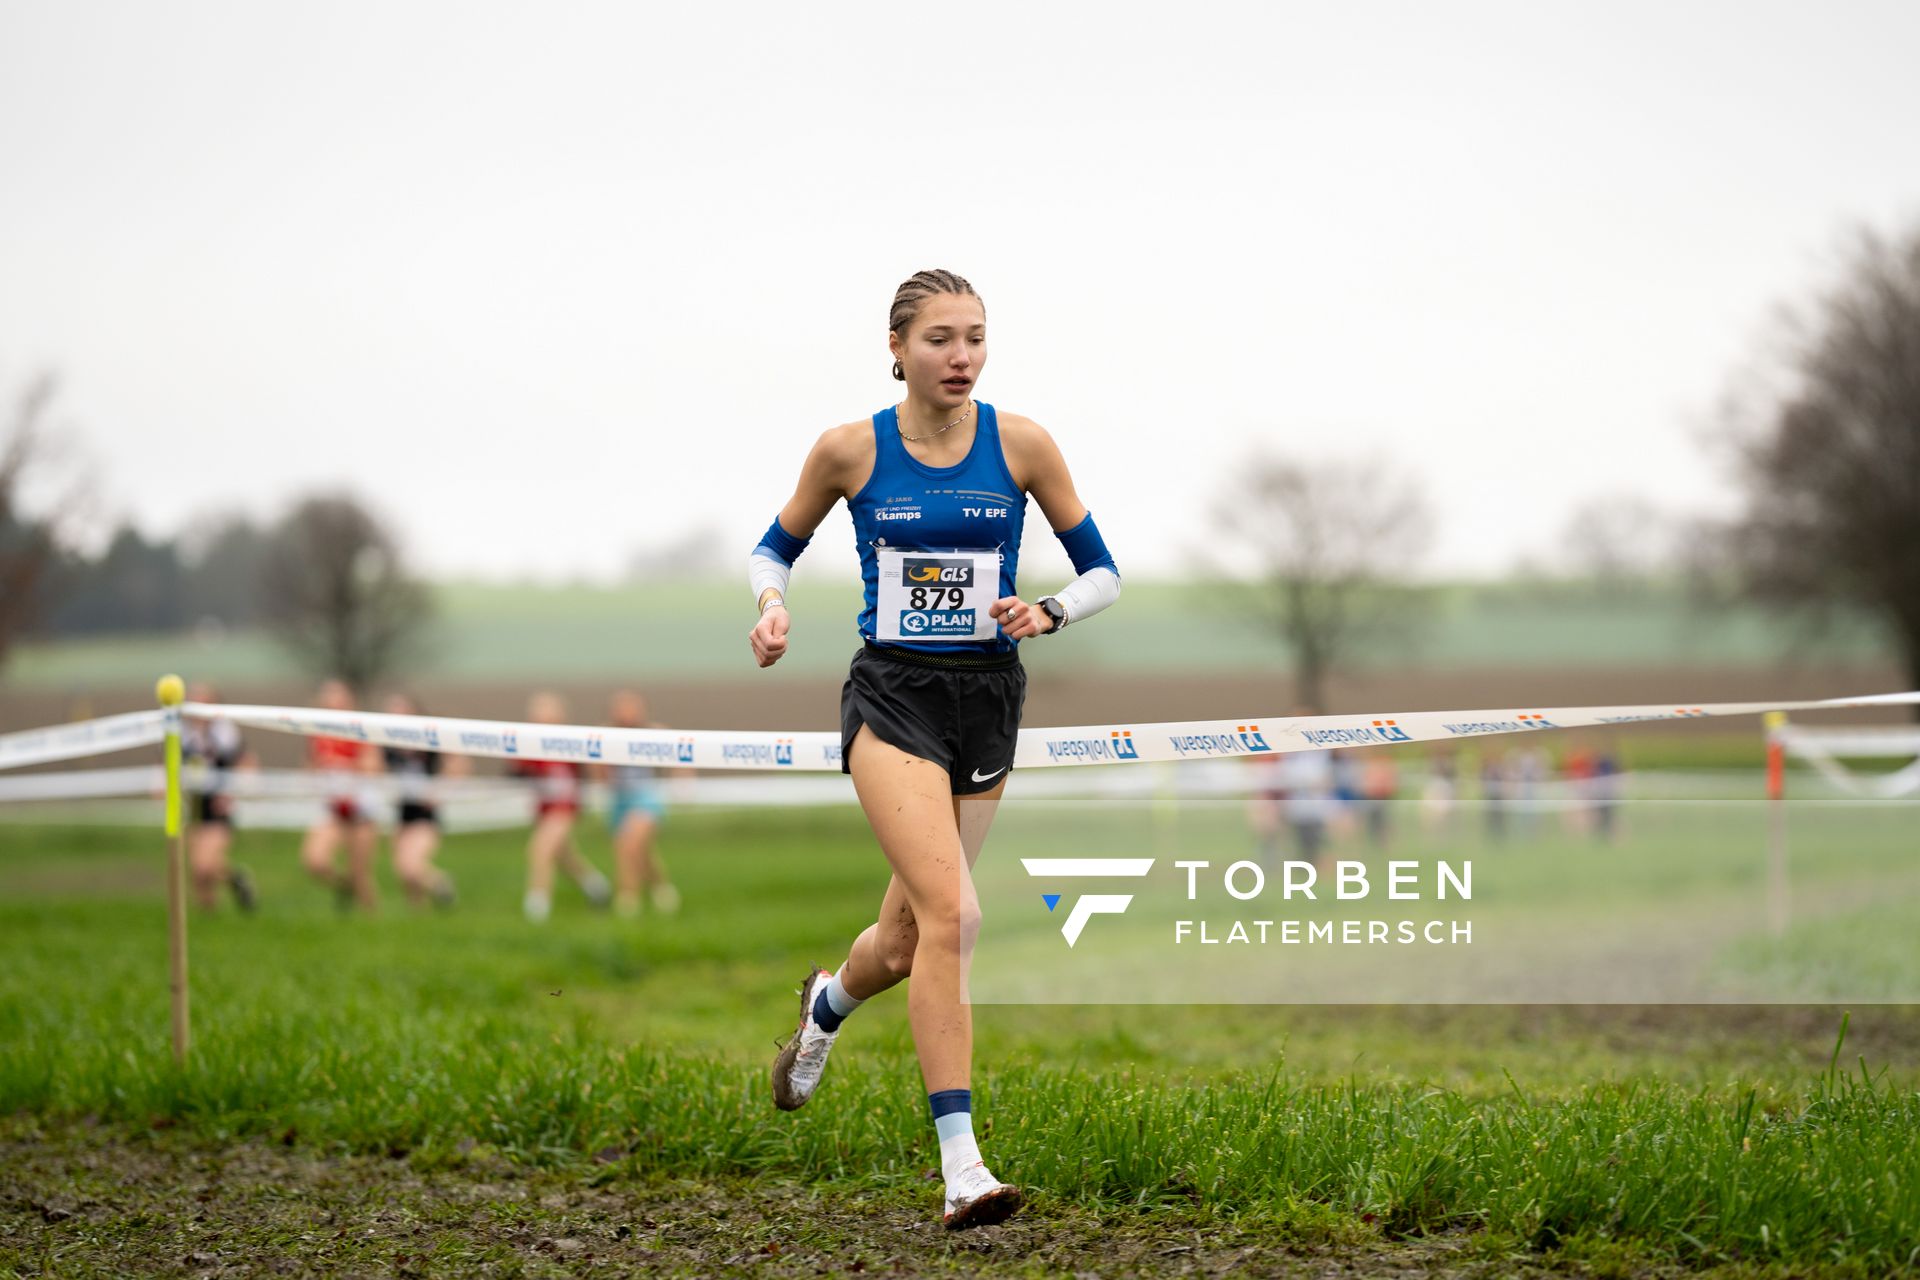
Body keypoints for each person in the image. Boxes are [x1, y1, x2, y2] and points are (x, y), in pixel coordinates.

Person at [747, 269, 1121, 1230]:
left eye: (977, 338)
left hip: (989, 700)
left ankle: (825, 1006)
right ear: (898, 348)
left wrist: (1049, 610)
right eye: (942, 339)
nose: (962, 357)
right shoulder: (849, 450)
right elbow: (771, 547)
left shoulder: (1023, 443)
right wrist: (773, 604)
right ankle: (963, 1168)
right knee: (957, 914)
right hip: (893, 697)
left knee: (913, 939)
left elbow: (1104, 574)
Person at [515, 692, 613, 923]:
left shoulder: (570, 740)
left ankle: (537, 907)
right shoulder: (528, 744)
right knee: (563, 856)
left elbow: (585, 769)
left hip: (565, 805)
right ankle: (596, 886)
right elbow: (520, 773)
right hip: (544, 806)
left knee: (539, 850)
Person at [600, 689, 680, 919]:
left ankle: (628, 901)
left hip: (645, 797)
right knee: (639, 851)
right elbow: (599, 772)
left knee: (630, 845)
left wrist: (680, 784)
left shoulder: (653, 732)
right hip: (619, 799)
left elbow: (683, 752)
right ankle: (661, 888)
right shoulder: (606, 734)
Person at [301, 678, 380, 911]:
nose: (332, 703)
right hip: (332, 807)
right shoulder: (317, 734)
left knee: (360, 872)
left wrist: (344, 765)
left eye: (337, 697)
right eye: (327, 698)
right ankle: (345, 887)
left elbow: (373, 767)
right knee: (315, 861)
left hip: (361, 807)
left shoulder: (361, 730)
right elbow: (310, 768)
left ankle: (373, 921)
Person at [180, 681, 257, 912]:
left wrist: (232, 792)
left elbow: (246, 763)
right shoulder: (184, 734)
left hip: (217, 808)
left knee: (205, 866)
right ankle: (211, 914)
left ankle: (236, 880)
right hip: (193, 806)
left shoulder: (225, 733)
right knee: (198, 872)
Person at [381, 692, 459, 910]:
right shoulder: (387, 745)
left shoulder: (428, 740)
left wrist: (439, 792)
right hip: (402, 811)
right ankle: (418, 914)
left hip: (425, 813)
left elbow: (456, 764)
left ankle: (440, 883)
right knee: (402, 872)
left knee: (412, 867)